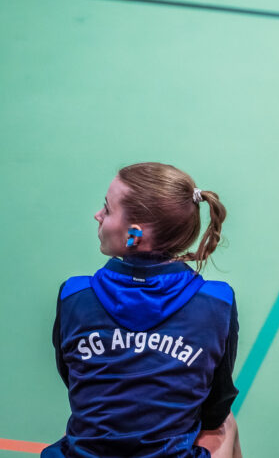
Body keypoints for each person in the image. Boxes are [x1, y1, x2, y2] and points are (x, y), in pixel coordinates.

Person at [44, 162, 242, 458]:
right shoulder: (217, 301)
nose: (97, 215)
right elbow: (216, 404)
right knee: (226, 423)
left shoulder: (74, 294)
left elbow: (75, 380)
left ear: (134, 235)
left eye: (107, 209)